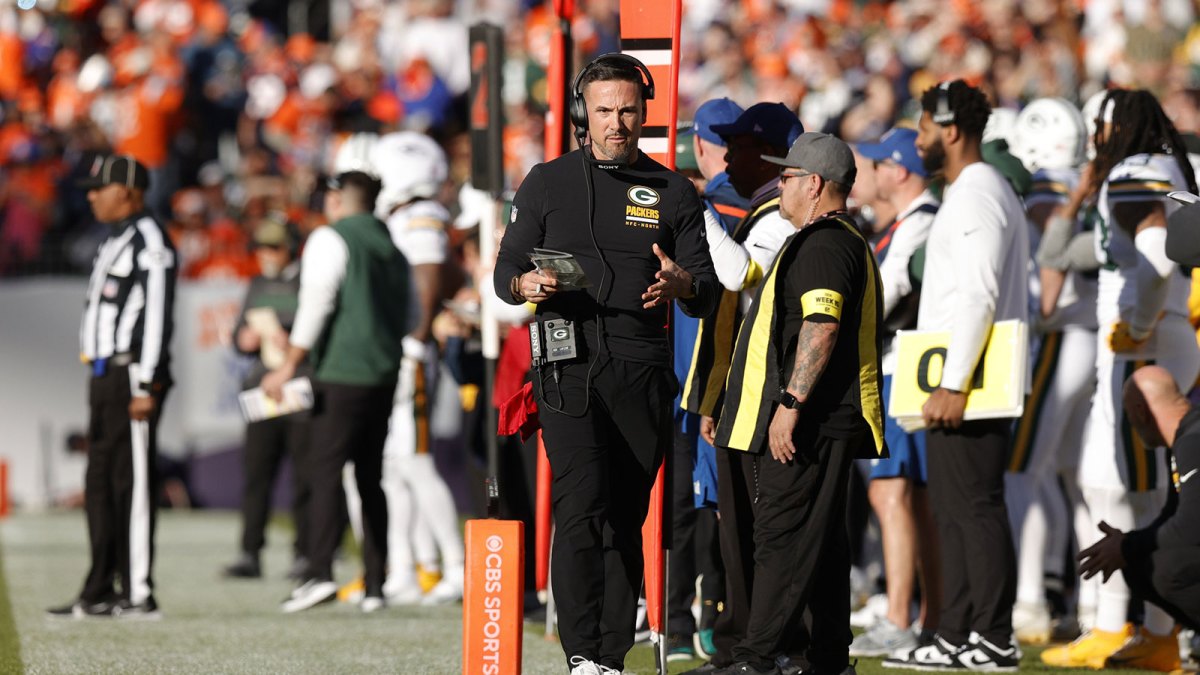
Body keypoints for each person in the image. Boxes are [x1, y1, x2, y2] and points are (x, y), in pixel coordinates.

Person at [492, 53, 718, 675]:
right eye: (604, 111)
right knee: (582, 503)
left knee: (627, 515)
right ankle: (582, 653)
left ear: (644, 113)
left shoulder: (675, 190)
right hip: (565, 364)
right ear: (581, 115)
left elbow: (707, 286)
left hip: (642, 368)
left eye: (628, 110)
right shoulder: (546, 180)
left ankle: (612, 656)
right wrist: (526, 285)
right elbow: (503, 273)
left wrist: (682, 286)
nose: (617, 122)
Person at [705, 131, 884, 675]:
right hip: (824, 419)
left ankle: (757, 659)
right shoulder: (834, 238)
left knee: (780, 537)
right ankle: (829, 657)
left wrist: (790, 402)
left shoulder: (826, 243)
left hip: (811, 421)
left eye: (785, 177)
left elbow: (821, 324)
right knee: (821, 541)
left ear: (814, 184)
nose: (777, 185)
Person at [1043, 88, 1200, 671]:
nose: (1092, 137)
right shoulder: (1165, 164)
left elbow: (1157, 256)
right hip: (1162, 335)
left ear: (1116, 126)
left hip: (1144, 340)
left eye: (1097, 125)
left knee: (1134, 487)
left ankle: (1142, 629)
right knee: (1115, 482)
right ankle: (1133, 626)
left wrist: (1136, 325)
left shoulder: (1135, 169)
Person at [884, 80, 1029, 672]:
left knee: (973, 508)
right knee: (954, 509)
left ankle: (991, 637)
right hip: (963, 378)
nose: (917, 139)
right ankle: (957, 633)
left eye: (921, 127)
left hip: (969, 382)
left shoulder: (974, 196)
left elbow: (977, 296)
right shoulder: (970, 193)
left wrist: (954, 381)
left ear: (949, 129)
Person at [680, 100, 804, 675]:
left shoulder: (782, 214)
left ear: (777, 155)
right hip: (742, 389)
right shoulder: (762, 208)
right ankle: (740, 645)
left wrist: (692, 206)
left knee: (760, 527)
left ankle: (768, 647)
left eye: (745, 143)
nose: (729, 152)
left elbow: (736, 275)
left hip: (768, 391)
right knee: (739, 525)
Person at [262, 170, 412, 614]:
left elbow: (317, 302)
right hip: (384, 373)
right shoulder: (392, 245)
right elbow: (411, 311)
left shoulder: (331, 238)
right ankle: (376, 583)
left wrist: (289, 363)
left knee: (323, 473)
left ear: (338, 199)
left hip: (341, 372)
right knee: (370, 478)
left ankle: (319, 573)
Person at [48, 155, 177, 619]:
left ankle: (138, 591)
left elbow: (158, 316)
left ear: (127, 191)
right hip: (104, 375)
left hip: (131, 375)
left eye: (99, 187)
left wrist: (147, 382)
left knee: (134, 483)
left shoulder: (150, 240)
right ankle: (99, 587)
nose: (90, 194)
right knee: (99, 482)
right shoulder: (114, 240)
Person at [1004, 97, 1098, 644]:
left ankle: (1030, 600)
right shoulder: (1082, 182)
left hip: (1060, 334)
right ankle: (1087, 604)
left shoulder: (1047, 190)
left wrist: (1038, 316)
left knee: (1023, 471)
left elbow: (1053, 267)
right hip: (1090, 334)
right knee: (1074, 476)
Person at [849, 127, 942, 658]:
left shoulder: (920, 223)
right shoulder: (907, 223)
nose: (874, 173)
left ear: (900, 171)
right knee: (906, 496)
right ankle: (922, 613)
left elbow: (884, 298)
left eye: (881, 163)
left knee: (894, 493)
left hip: (902, 368)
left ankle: (904, 614)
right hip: (901, 368)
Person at [667, 98, 748, 664]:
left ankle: (682, 618)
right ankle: (716, 610)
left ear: (701, 146)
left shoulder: (698, 209)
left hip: (690, 375)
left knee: (686, 504)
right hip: (738, 376)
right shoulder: (774, 206)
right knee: (726, 503)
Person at [221, 216, 312, 580]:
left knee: (304, 476)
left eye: (272, 246)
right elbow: (240, 335)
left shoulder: (308, 280)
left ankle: (306, 553)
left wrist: (292, 343)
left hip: (299, 385)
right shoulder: (257, 283)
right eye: (261, 247)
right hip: (263, 388)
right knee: (256, 473)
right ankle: (249, 552)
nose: (265, 255)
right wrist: (244, 338)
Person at [1078, 366, 1200, 636]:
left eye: (1127, 411)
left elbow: (1192, 525)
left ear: (1139, 410)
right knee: (1140, 563)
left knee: (1167, 568)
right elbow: (1173, 515)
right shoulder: (1184, 438)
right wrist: (1125, 544)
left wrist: (1128, 545)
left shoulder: (1193, 441)